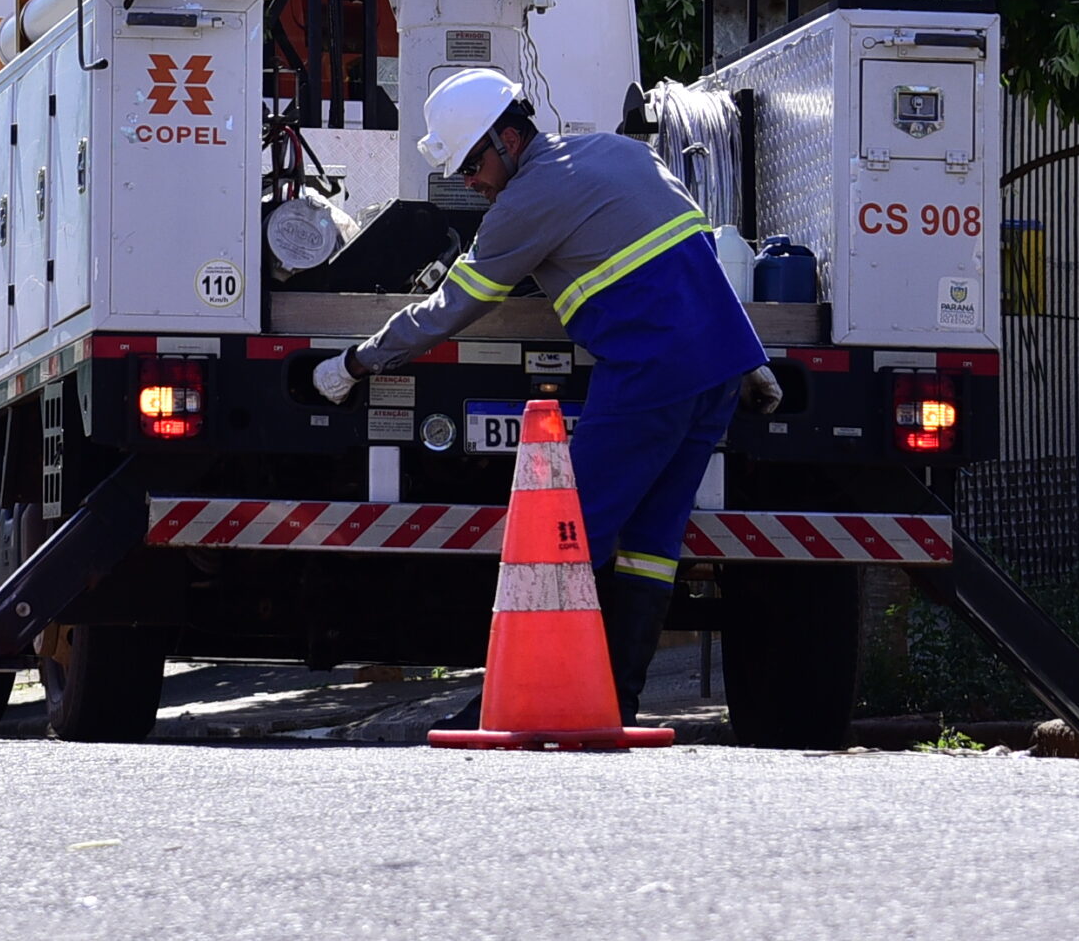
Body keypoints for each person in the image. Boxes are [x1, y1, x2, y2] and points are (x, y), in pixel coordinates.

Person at [313, 67, 777, 721]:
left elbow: (450, 308)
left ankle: (518, 700)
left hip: (652, 370)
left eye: (473, 163)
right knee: (649, 542)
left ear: (508, 137)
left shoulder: (524, 204)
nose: (469, 181)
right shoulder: (619, 152)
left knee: (563, 534)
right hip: (718, 369)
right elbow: (702, 250)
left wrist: (358, 361)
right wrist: (752, 357)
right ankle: (613, 701)